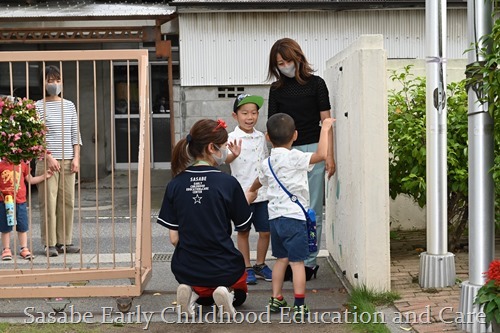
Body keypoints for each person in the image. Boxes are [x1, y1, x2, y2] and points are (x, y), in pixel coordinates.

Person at [157, 118, 253, 318]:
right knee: (241, 291)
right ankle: (227, 293)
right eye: (225, 146)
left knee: (203, 292)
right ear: (212, 147)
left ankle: (190, 292)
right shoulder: (228, 183)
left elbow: (174, 238)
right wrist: (247, 199)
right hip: (224, 266)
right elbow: (243, 226)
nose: (226, 151)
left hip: (186, 267)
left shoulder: (175, 184)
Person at [246, 113, 334, 318]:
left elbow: (259, 181)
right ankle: (300, 304)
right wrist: (325, 128)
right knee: (297, 263)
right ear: (295, 135)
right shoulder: (296, 157)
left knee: (280, 260)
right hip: (295, 218)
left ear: (268, 137)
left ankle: (276, 299)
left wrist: (251, 192)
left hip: (275, 219)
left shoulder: (267, 163)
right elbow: (321, 154)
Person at [267, 37, 336, 280]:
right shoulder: (275, 90)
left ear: (298, 58)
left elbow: (326, 122)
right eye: (279, 62)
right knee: (286, 209)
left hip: (314, 150)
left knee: (311, 208)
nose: (284, 65)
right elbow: (272, 126)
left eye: (287, 60)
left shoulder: (316, 84)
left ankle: (307, 262)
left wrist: (330, 156)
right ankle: (289, 260)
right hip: (285, 153)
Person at [35, 65, 82, 257]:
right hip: (47, 162)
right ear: (43, 83)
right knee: (48, 202)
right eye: (50, 80)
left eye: (57, 80)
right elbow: (36, 137)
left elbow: (75, 134)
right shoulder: (38, 106)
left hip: (68, 160)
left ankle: (65, 241)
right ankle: (49, 244)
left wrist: (76, 158)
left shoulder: (69, 105)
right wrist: (49, 156)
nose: (54, 84)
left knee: (68, 201)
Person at [226, 94, 272, 285]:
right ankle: (246, 266)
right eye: (244, 113)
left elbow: (266, 160)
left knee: (266, 231)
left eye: (253, 113)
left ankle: (260, 264)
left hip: (263, 194)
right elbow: (224, 160)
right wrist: (233, 155)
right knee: (243, 231)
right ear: (235, 115)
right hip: (242, 195)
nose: (250, 117)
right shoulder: (231, 138)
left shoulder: (261, 137)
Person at [0, 160, 52, 260]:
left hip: (20, 201)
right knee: (5, 227)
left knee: (22, 226)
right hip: (4, 201)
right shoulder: (1, 165)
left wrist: (44, 176)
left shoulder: (22, 165)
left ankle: (24, 248)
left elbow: (30, 180)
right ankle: (6, 249)